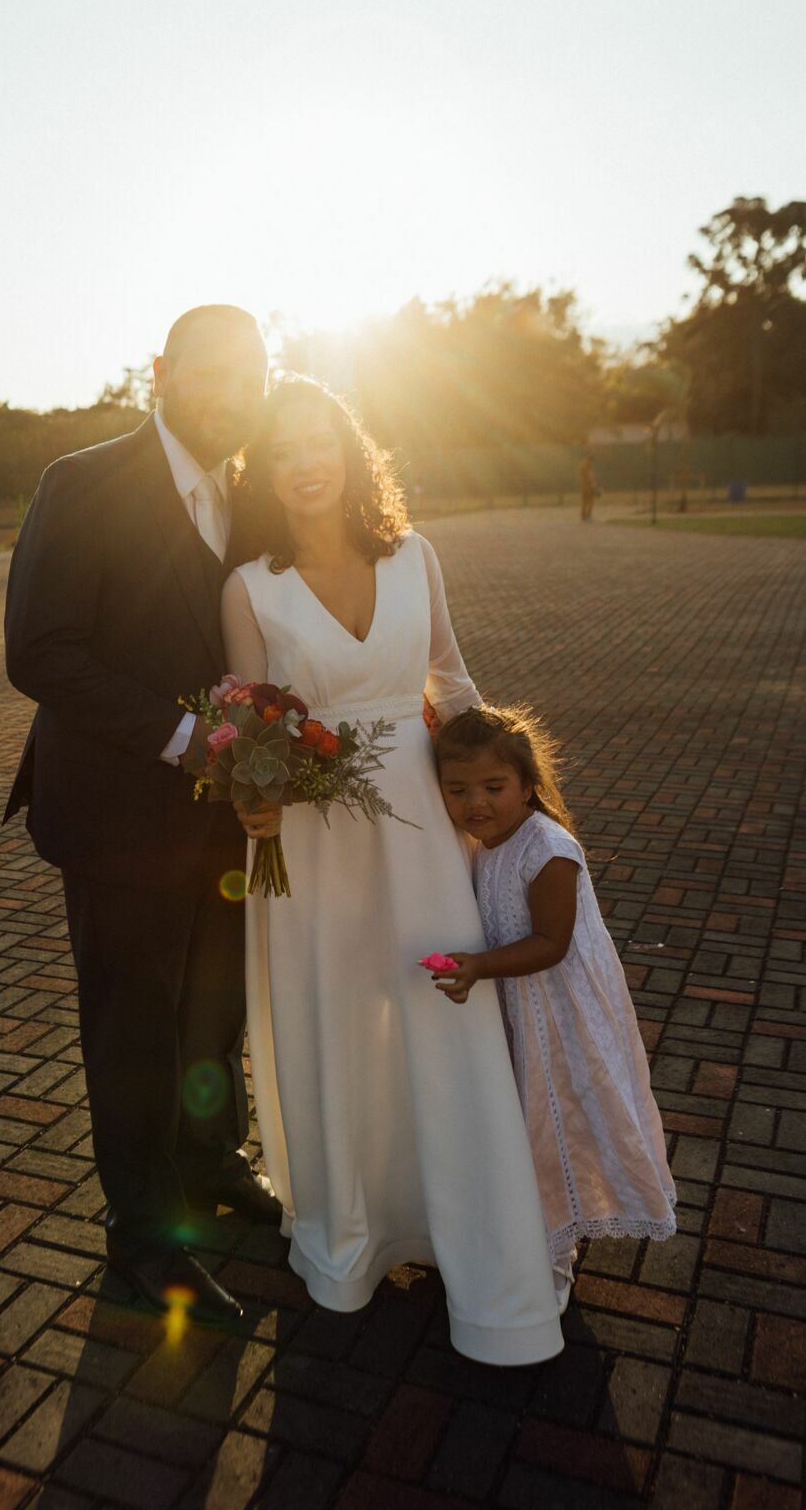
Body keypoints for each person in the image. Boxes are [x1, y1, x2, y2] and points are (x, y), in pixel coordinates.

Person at [222, 375, 565, 1365]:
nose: (303, 462)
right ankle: (348, 1239)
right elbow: (244, 716)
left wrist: (511, 807)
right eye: (281, 448)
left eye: (318, 440)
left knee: (434, 1007)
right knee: (332, 1020)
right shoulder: (248, 585)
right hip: (308, 835)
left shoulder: (415, 557)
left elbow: (452, 682)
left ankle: (471, 1239)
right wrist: (254, 787)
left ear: (349, 449)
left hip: (416, 819)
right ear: (264, 467)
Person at [3, 305, 282, 1327]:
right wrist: (186, 741)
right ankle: (143, 1240)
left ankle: (215, 1164)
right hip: (121, 813)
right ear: (160, 370)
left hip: (227, 817)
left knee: (216, 1004)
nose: (231, 390)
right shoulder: (82, 481)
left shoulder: (246, 493)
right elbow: (39, 649)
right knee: (134, 1028)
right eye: (211, 370)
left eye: (250, 372)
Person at [431, 704, 677, 1308]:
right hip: (520, 1010)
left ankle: (556, 1257)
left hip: (562, 1015)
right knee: (524, 1124)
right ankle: (529, 1237)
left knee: (557, 1124)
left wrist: (479, 966)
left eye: (494, 787)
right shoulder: (480, 844)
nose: (476, 803)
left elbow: (551, 942)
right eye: (457, 790)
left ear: (528, 785)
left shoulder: (547, 848)